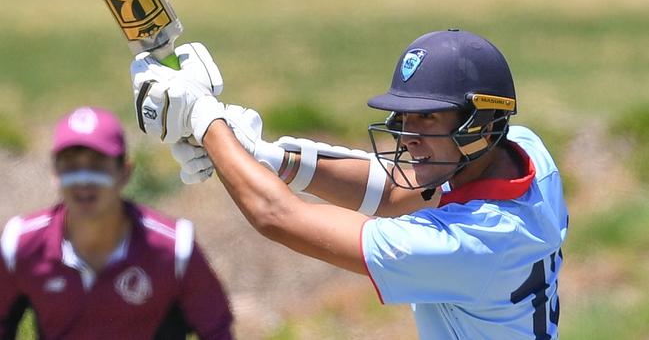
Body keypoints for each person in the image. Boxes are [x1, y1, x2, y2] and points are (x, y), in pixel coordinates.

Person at [131, 31, 568, 339]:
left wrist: (205, 121)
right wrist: (269, 157)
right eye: (406, 117)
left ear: (482, 126)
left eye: (428, 117)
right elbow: (397, 192)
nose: (409, 135)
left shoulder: (467, 246)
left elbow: (278, 218)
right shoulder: (527, 154)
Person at [0, 107, 233, 339]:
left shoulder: (174, 248)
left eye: (97, 165)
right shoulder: (19, 245)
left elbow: (217, 330)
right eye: (70, 165)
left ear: (125, 172)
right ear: (55, 173)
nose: (83, 180)